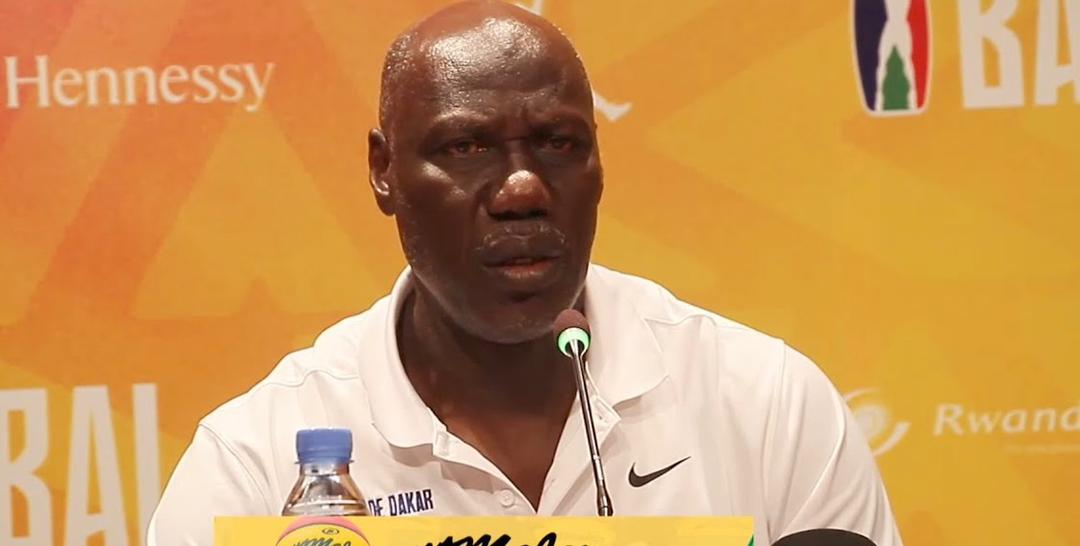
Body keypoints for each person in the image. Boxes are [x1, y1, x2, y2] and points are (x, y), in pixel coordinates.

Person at [148, 2, 903, 545]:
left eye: (558, 143)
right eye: (466, 148)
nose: (521, 190)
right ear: (384, 171)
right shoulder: (255, 460)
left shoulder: (765, 406)